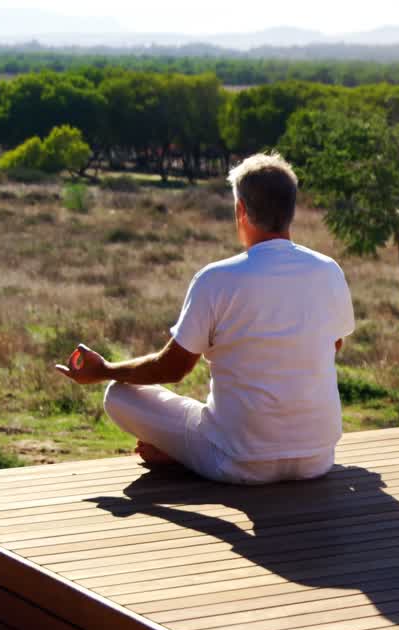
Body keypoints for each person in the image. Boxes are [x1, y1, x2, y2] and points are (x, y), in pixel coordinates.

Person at [55, 153, 355, 485]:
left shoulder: (216, 278)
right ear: (290, 211)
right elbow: (333, 345)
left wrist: (105, 370)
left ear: (240, 210)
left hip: (238, 462)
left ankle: (184, 452)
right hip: (316, 458)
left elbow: (173, 369)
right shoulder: (328, 271)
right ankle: (188, 448)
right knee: (206, 415)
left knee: (117, 394)